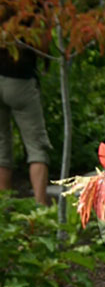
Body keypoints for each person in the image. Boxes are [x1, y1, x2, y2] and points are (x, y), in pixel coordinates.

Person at [0, 35, 51, 205]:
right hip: (20, 79)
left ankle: (4, 208)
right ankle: (41, 208)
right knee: (36, 147)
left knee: (1, 146)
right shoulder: (33, 11)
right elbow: (43, 47)